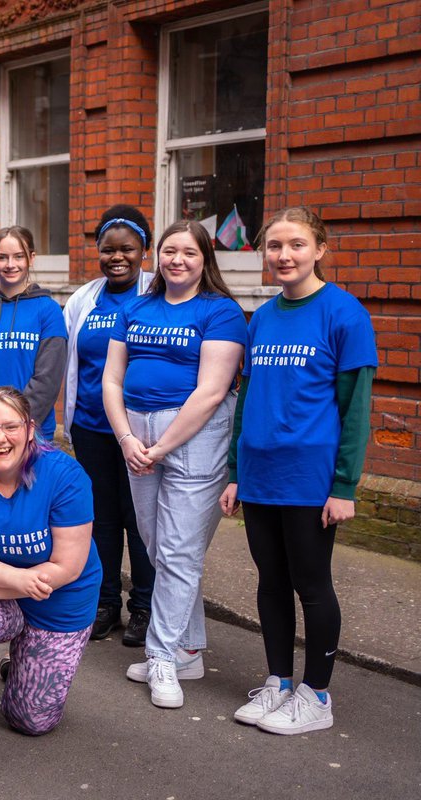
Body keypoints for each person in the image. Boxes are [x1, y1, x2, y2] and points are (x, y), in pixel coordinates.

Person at [220, 207, 377, 734]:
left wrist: (344, 485)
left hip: (310, 477)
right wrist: (236, 471)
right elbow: (247, 400)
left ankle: (317, 696)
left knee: (312, 583)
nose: (283, 256)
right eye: (273, 246)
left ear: (319, 249)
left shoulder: (345, 314)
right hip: (261, 473)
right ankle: (279, 683)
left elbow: (355, 408)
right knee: (270, 581)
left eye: (295, 245)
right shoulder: (261, 318)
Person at [102, 219, 246, 709]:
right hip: (135, 432)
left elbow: (210, 392)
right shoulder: (137, 307)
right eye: (169, 251)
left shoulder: (221, 312)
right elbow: (112, 380)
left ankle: (161, 655)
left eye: (188, 252)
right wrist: (125, 437)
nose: (177, 260)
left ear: (205, 259)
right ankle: (188, 648)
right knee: (159, 547)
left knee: (180, 552)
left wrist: (161, 446)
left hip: (192, 436)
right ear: (157, 257)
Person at [0, 387, 100, 768]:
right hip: (2, 593)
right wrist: (9, 584)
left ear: (29, 429)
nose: (0, 438)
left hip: (58, 597)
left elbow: (67, 566)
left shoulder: (64, 475)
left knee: (30, 720)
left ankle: (22, 661)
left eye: (10, 426)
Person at [63, 205, 157, 647]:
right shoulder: (85, 299)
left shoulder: (157, 295)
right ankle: (105, 604)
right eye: (107, 250)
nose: (116, 257)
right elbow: (69, 359)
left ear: (144, 252)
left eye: (127, 249)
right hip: (90, 426)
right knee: (99, 519)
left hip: (141, 430)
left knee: (139, 519)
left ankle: (143, 607)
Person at [0, 226, 67, 440]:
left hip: (33, 430)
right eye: (2, 257)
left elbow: (48, 379)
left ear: (31, 258)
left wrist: (18, 423)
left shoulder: (49, 310)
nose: (10, 265)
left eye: (18, 256)